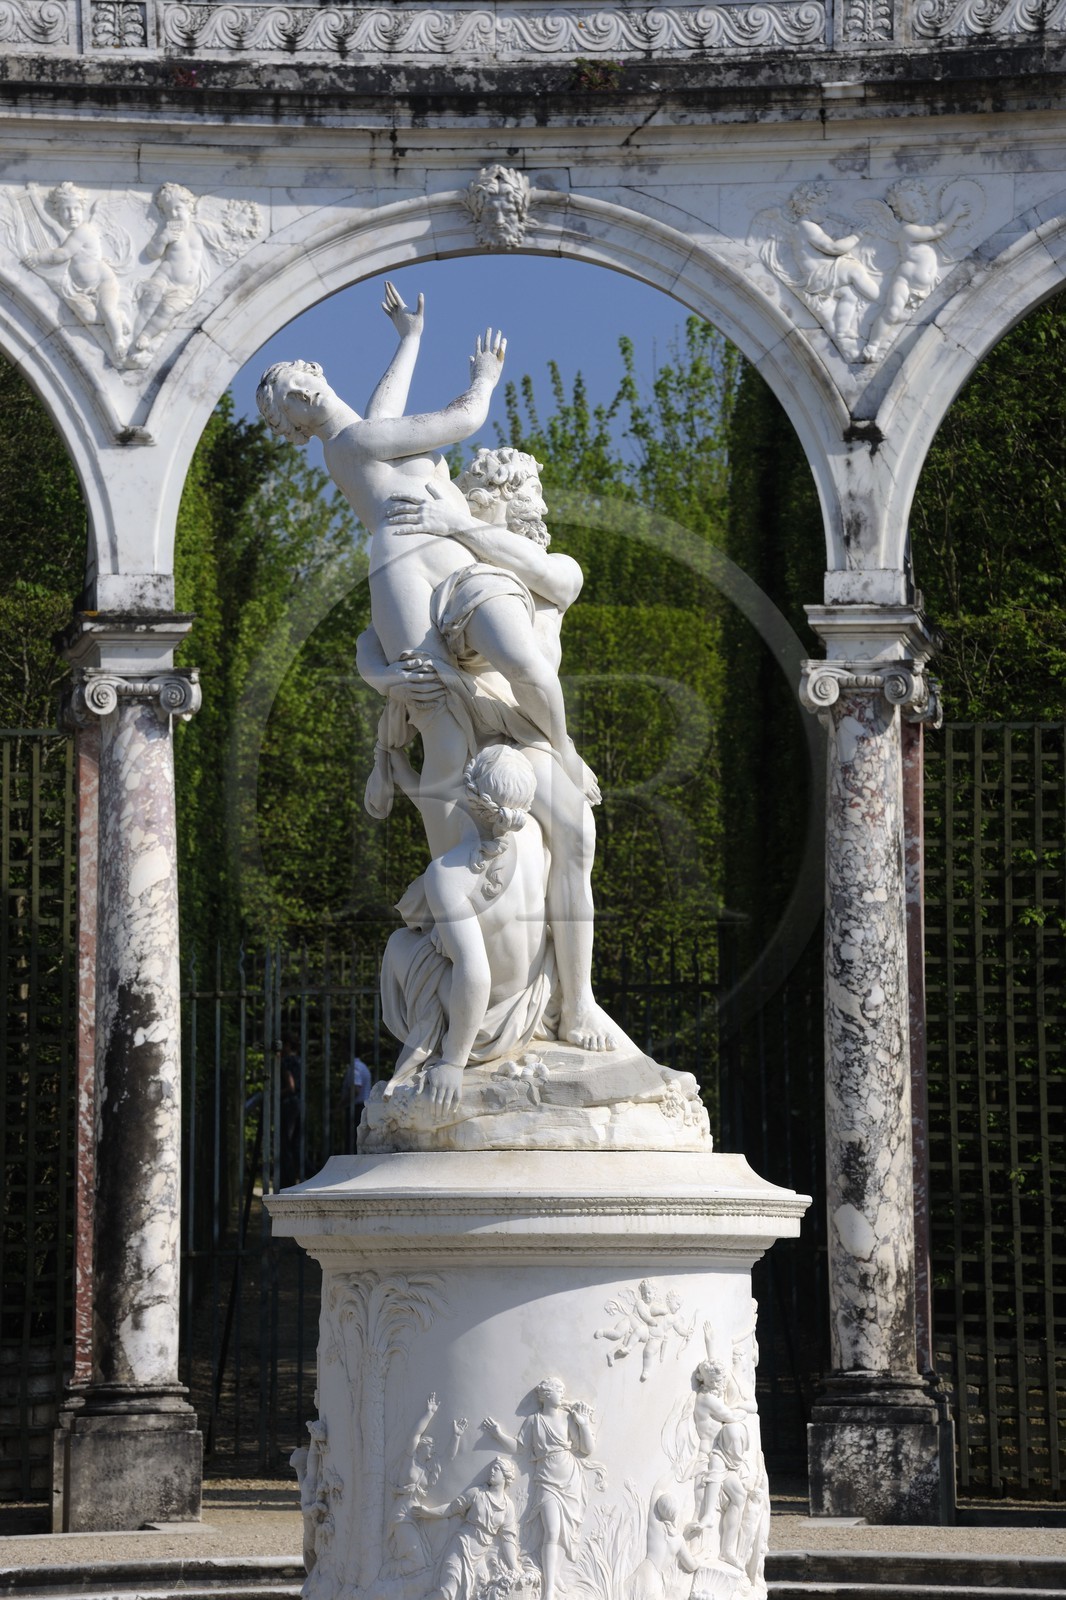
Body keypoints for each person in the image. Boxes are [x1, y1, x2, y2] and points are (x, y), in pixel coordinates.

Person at [256, 285, 616, 1055]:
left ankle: (575, 1001)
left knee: (566, 818)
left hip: (458, 583)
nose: (302, 395)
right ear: (294, 425)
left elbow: (385, 412)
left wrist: (407, 337)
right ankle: (487, 998)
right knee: (439, 723)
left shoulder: (536, 562)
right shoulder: (350, 449)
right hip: (414, 575)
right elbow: (457, 423)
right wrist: (482, 378)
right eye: (289, 401)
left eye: (298, 381)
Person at [380, 743, 555, 1114]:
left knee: (399, 943)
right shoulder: (535, 833)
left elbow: (475, 975)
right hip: (535, 1000)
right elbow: (445, 811)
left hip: (487, 1024)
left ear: (467, 790)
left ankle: (437, 1046)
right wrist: (400, 767)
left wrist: (454, 1063)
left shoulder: (449, 874)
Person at [483, 1377, 597, 1600]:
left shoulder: (568, 1418)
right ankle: (549, 1591)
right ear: (545, 1395)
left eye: (563, 1391)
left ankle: (553, 1574)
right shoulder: (534, 1421)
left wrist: (583, 1423)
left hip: (570, 1477)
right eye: (558, 1391)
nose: (562, 1395)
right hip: (546, 1479)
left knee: (566, 1530)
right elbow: (519, 1448)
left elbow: (587, 1449)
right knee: (552, 1530)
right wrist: (498, 1434)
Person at [413, 1456, 519, 1600]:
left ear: (505, 1475)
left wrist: (515, 1567)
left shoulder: (508, 1507)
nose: (492, 1472)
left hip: (480, 1555)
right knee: (446, 1593)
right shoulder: (477, 1493)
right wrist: (428, 1512)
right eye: (492, 1468)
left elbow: (508, 1540)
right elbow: (451, 1509)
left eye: (496, 1469)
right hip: (461, 1546)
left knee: (481, 1594)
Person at [341, 1053, 372, 1149]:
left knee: (353, 1140)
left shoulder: (355, 1068)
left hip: (357, 1108)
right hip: (364, 1107)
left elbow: (356, 1089)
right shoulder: (363, 1066)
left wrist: (341, 1104)